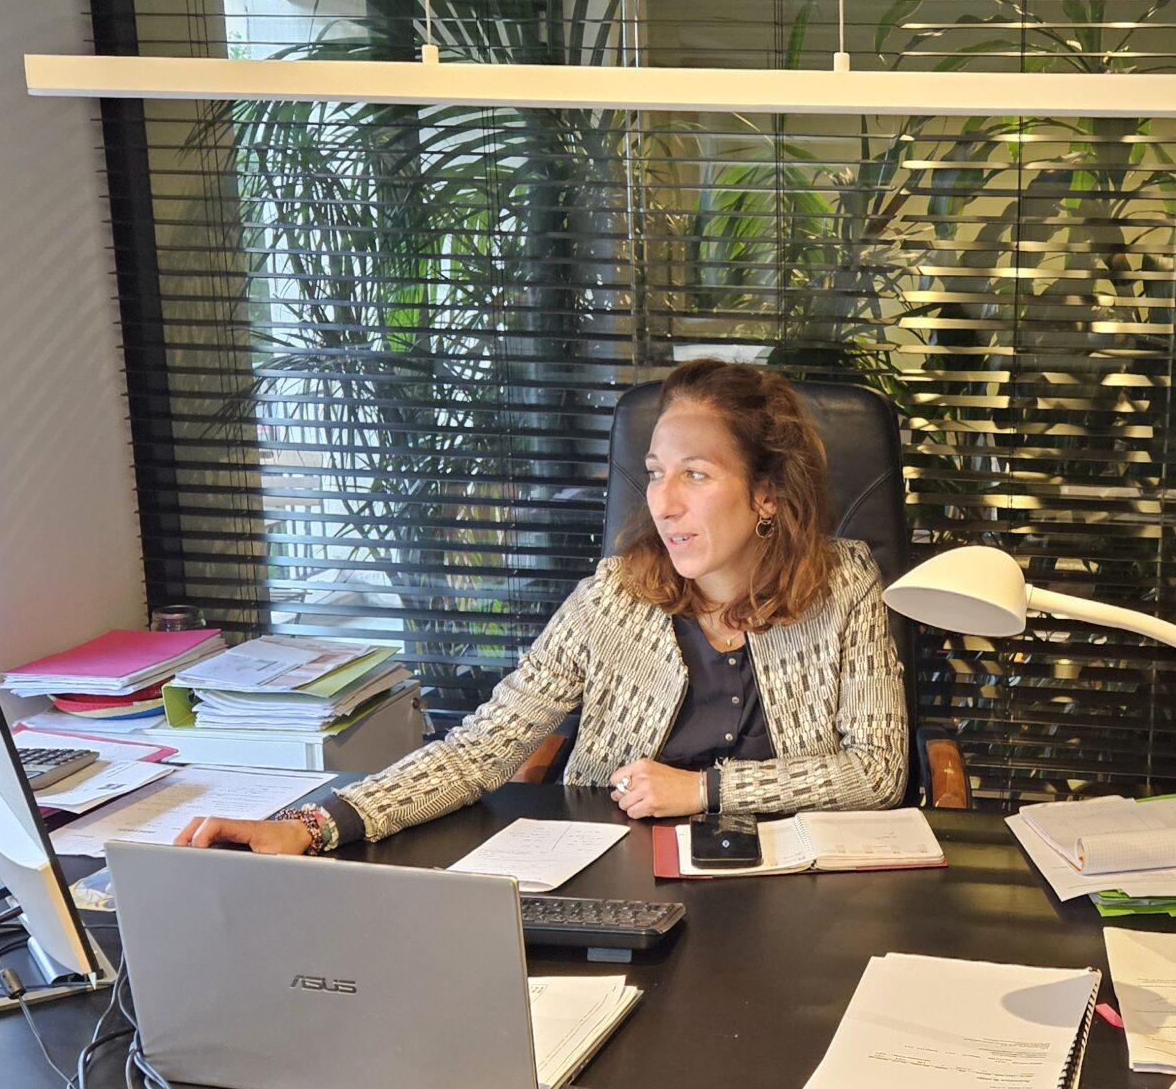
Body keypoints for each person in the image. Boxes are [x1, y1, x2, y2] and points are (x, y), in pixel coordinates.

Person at [175, 359, 908, 855]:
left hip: (795, 887)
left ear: (767, 493)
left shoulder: (844, 586)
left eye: (696, 474)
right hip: (623, 875)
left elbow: (876, 771)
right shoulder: (614, 598)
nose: (663, 502)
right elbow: (481, 749)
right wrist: (312, 826)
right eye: (655, 473)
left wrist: (703, 790)